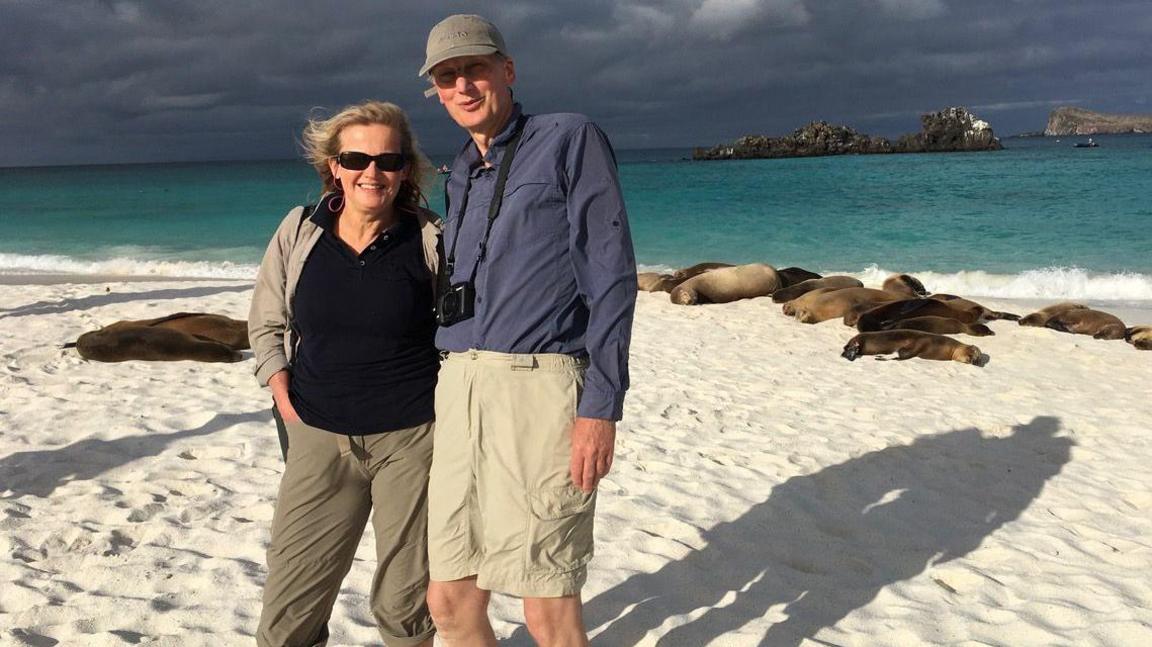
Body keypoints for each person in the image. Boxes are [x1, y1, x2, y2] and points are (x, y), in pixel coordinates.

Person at [417, 14, 638, 646]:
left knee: (545, 599)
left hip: (541, 386)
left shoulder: (569, 138)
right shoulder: (458, 169)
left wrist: (601, 406)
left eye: (475, 69)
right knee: (450, 597)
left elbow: (611, 277)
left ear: (507, 71)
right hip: (460, 385)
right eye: (446, 77)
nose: (463, 86)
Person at [248, 100, 441, 647]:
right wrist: (281, 391)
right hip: (316, 431)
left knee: (404, 606)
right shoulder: (299, 230)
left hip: (412, 439)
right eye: (356, 158)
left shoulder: (431, 238)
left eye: (388, 160)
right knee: (289, 610)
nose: (371, 172)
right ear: (334, 165)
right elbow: (266, 323)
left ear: (406, 170)